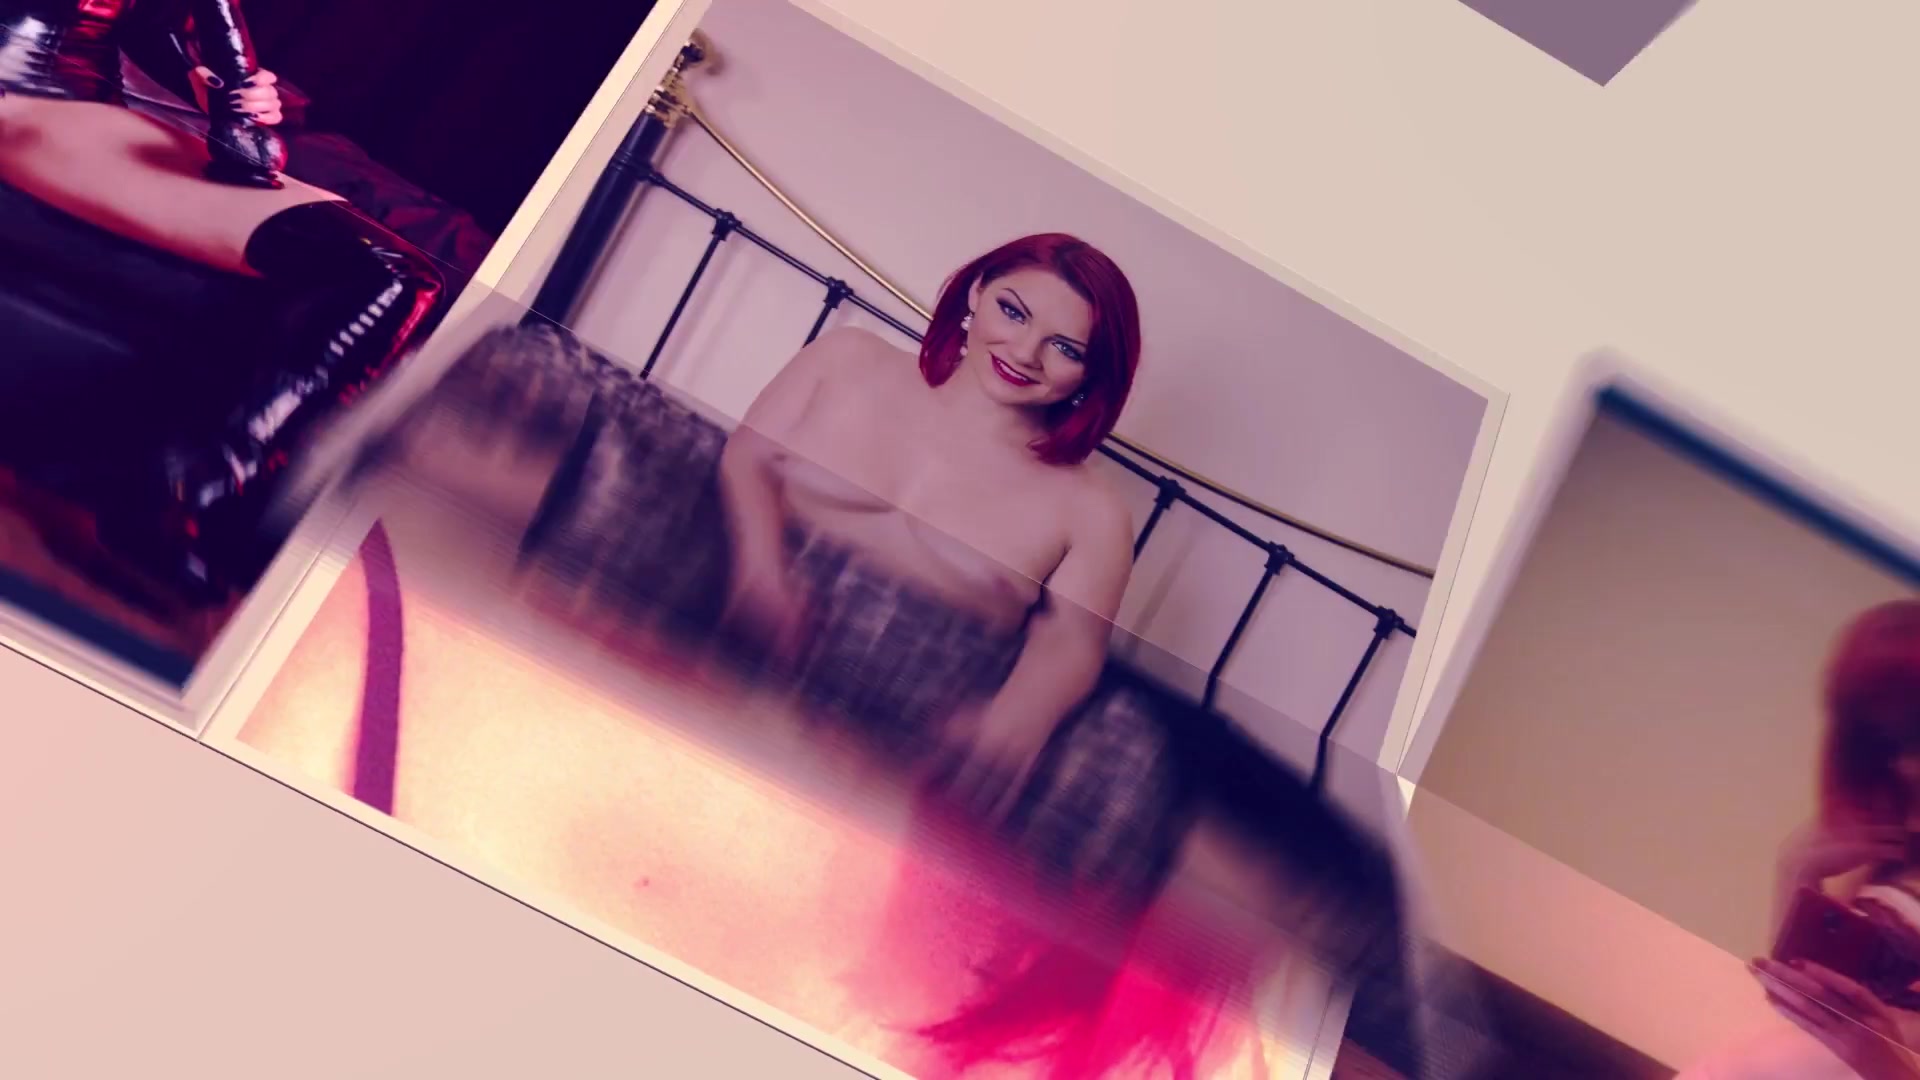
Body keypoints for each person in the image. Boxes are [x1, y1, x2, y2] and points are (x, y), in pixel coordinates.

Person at [0, 0, 443, 594]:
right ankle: (181, 496)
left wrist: (213, 84)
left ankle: (203, 485)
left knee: (394, 276)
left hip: (76, 101)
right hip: (18, 98)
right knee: (380, 274)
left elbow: (149, 21)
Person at [1684, 599, 1920, 1080]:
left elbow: (1869, 1053)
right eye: (1885, 743)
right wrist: (1797, 867)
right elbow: (1802, 1007)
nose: (1904, 765)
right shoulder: (1889, 845)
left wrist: (1881, 1064)